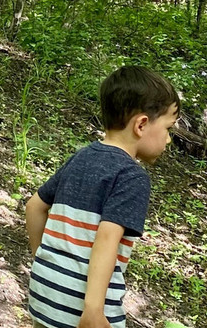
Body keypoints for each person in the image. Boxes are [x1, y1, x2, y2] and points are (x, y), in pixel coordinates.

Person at [25, 66, 180, 328]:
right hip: (84, 311)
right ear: (141, 124)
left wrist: (44, 262)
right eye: (168, 129)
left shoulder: (80, 158)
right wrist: (94, 309)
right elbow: (107, 238)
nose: (168, 140)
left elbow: (34, 207)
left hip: (44, 296)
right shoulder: (132, 176)